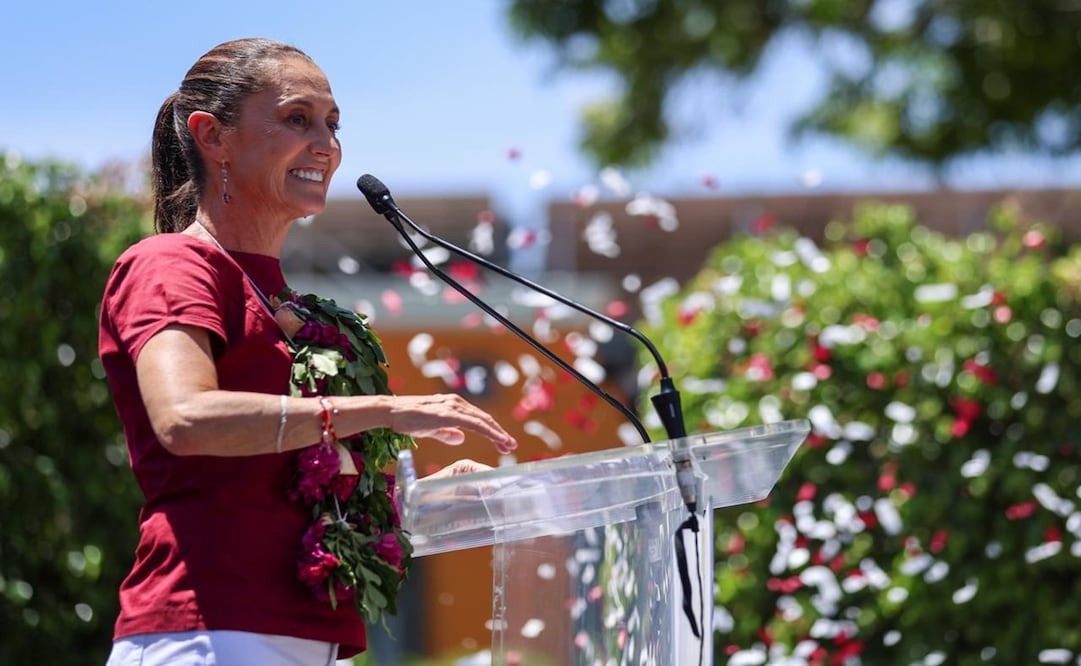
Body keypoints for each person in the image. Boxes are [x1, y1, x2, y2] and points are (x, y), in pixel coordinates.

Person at [98, 37, 517, 666]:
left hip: (305, 641)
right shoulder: (171, 264)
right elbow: (183, 419)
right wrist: (385, 410)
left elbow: (289, 489)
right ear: (213, 137)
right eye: (298, 119)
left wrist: (420, 499)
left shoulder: (282, 297)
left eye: (332, 124)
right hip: (207, 629)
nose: (326, 145)